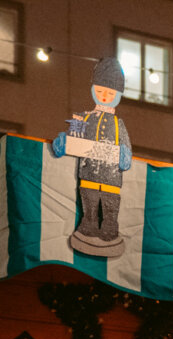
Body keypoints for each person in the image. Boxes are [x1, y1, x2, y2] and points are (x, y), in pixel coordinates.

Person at [52, 57, 133, 257]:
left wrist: (126, 154)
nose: (104, 96)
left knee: (110, 203)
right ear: (93, 90)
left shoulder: (118, 124)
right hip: (88, 173)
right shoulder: (83, 118)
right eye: (100, 91)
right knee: (88, 201)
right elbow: (73, 137)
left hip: (112, 177)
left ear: (117, 94)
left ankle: (109, 228)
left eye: (110, 93)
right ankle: (88, 224)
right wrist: (64, 142)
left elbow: (126, 144)